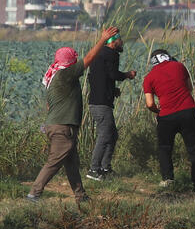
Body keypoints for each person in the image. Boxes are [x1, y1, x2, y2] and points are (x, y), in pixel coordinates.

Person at [28, 26, 119, 203]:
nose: (77, 61)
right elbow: (90, 58)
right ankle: (34, 193)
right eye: (74, 59)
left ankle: (81, 195)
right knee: (54, 162)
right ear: (70, 61)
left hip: (57, 126)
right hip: (63, 128)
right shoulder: (66, 74)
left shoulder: (53, 77)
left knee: (71, 164)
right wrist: (103, 39)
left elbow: (49, 105)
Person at [142, 49, 195, 196]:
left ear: (153, 62)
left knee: (165, 148)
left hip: (166, 117)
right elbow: (189, 88)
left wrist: (158, 111)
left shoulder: (149, 78)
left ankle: (168, 180)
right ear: (168, 57)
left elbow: (150, 103)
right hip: (188, 112)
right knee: (194, 149)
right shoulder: (179, 66)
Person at [86, 33, 136, 181]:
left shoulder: (98, 55)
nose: (122, 43)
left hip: (97, 102)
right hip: (101, 104)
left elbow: (98, 77)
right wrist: (128, 74)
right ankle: (94, 169)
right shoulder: (111, 54)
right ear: (113, 42)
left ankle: (105, 168)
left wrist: (111, 90)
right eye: (120, 40)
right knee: (105, 135)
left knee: (112, 135)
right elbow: (113, 74)